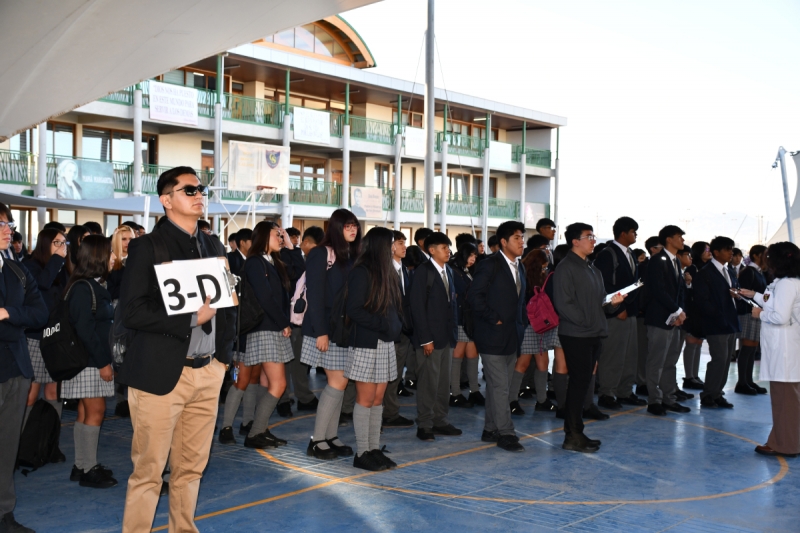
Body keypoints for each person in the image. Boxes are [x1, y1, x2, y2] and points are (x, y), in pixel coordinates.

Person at [118, 167, 235, 533]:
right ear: (166, 200)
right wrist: (188, 317)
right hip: (161, 373)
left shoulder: (213, 245)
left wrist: (222, 358)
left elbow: (226, 303)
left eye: (201, 189)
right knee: (149, 471)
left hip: (207, 370)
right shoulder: (146, 246)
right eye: (189, 190)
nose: (199, 194)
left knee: (191, 468)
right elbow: (132, 310)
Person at [220, 221, 293, 447]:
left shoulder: (272, 261)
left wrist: (287, 241)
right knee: (270, 383)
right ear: (263, 237)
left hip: (270, 328)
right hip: (264, 328)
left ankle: (257, 429)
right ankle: (251, 431)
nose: (280, 238)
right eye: (277, 235)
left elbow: (298, 266)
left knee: (263, 381)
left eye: (281, 235)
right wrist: (284, 322)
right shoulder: (255, 263)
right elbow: (265, 297)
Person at [552, 223, 623, 453]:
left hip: (593, 332)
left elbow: (599, 301)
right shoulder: (566, 268)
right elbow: (564, 305)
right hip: (576, 334)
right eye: (588, 236)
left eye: (593, 236)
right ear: (575, 241)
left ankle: (577, 431)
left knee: (583, 385)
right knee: (578, 384)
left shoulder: (591, 268)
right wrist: (588, 321)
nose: (593, 240)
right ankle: (571, 435)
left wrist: (611, 303)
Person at [0, 203, 48, 533]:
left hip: (15, 369)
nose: (8, 229)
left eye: (9, 223)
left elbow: (40, 314)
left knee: (6, 450)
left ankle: (4, 514)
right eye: (0, 223)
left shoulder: (16, 269)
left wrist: (8, 314)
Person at [301, 209, 361, 460]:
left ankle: (331, 436)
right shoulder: (320, 254)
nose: (353, 230)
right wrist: (321, 332)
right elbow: (314, 294)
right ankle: (317, 440)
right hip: (325, 330)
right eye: (347, 226)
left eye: (355, 226)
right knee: (336, 384)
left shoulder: (349, 255)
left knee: (341, 384)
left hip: (343, 330)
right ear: (336, 228)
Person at [60, 236, 117, 488]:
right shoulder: (84, 288)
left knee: (85, 413)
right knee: (96, 412)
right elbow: (85, 329)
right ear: (98, 257)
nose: (114, 257)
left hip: (86, 361)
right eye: (110, 253)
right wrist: (104, 362)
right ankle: (89, 469)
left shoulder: (84, 285)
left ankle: (82, 464)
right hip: (90, 362)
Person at [344, 227, 403, 470]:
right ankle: (362, 452)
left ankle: (374, 448)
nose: (393, 247)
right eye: (390, 243)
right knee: (366, 399)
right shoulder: (362, 271)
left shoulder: (386, 271)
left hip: (384, 342)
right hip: (367, 342)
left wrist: (394, 325)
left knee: (378, 400)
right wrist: (382, 324)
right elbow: (354, 310)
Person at [468, 221, 527, 452]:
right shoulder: (490, 265)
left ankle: (490, 428)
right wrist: (494, 318)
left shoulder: (519, 267)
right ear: (503, 242)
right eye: (516, 238)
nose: (522, 241)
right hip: (491, 335)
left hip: (511, 335)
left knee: (498, 386)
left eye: (522, 237)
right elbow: (474, 297)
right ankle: (506, 433)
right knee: (501, 386)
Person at [743, 242, 800, 457]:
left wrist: (760, 314)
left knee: (785, 401)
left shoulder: (786, 284)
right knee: (786, 400)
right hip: (786, 348)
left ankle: (786, 445)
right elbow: (773, 301)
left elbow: (779, 316)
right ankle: (782, 440)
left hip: (784, 350)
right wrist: (754, 295)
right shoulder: (785, 282)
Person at [410, 232, 461, 443]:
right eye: (443, 248)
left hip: (446, 338)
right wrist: (425, 339)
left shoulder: (448, 270)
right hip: (429, 339)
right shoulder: (424, 272)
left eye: (448, 247)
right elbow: (417, 308)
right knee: (428, 384)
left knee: (443, 383)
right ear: (431, 250)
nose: (448, 251)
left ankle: (440, 420)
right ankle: (424, 424)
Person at [593, 217, 647, 410]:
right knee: (613, 355)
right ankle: (607, 393)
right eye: (633, 232)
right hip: (616, 312)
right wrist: (618, 308)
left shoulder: (630, 254)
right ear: (623, 233)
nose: (635, 235)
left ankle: (624, 391)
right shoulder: (608, 254)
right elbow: (603, 285)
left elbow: (633, 283)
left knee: (629, 355)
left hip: (631, 311)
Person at [21, 229, 69, 439]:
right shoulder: (31, 265)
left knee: (53, 392)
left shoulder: (61, 266)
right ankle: (19, 442)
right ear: (44, 243)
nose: (61, 246)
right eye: (56, 242)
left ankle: (49, 442)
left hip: (55, 337)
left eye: (64, 243)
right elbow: (42, 283)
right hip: (35, 337)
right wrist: (57, 260)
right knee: (30, 394)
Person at [644, 225, 691, 416]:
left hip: (673, 319)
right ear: (669, 239)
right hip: (659, 319)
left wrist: (680, 313)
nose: (682, 240)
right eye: (679, 237)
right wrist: (677, 310)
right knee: (657, 361)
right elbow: (658, 290)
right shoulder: (657, 260)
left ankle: (669, 398)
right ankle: (654, 400)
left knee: (670, 361)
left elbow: (679, 291)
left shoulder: (675, 262)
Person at [695, 236, 740, 409]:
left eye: (731, 249)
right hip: (716, 323)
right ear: (716, 252)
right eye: (727, 250)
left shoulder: (729, 271)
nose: (730, 253)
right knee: (719, 359)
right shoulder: (705, 273)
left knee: (726, 360)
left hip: (730, 321)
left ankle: (717, 393)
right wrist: (717, 316)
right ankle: (708, 394)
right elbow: (702, 300)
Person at [513, 249, 557, 413]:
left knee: (543, 364)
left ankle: (542, 400)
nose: (545, 270)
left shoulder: (538, 277)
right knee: (522, 364)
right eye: (543, 267)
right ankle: (512, 400)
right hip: (527, 326)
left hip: (540, 326)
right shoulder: (522, 276)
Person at [382, 231, 416, 429]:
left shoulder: (404, 270)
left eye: (405, 242)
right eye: (400, 243)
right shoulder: (384, 270)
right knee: (384, 374)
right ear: (390, 246)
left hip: (403, 331)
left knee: (395, 374)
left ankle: (391, 412)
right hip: (388, 330)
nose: (405, 247)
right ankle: (384, 412)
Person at [448, 243, 484, 407]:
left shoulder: (469, 271)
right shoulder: (454, 271)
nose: (473, 259)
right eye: (471, 255)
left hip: (471, 319)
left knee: (472, 356)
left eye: (475, 256)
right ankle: (454, 392)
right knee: (457, 356)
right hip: (460, 319)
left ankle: (474, 391)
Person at [734, 245, 768, 395]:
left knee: (752, 348)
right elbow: (743, 293)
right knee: (747, 348)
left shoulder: (758, 272)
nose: (767, 258)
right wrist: (754, 308)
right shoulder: (749, 272)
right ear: (755, 255)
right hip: (749, 313)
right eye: (764, 255)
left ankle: (748, 380)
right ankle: (742, 382)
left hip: (755, 313)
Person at [681, 241, 711, 391]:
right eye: (706, 249)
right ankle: (688, 376)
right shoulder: (692, 268)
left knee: (698, 343)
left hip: (703, 311)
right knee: (691, 342)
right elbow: (689, 290)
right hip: (693, 310)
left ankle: (695, 375)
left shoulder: (708, 268)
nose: (709, 251)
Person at [107, 225, 136, 302]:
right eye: (123, 239)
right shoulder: (109, 262)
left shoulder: (138, 259)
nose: (128, 242)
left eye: (131, 239)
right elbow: (109, 291)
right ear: (117, 241)